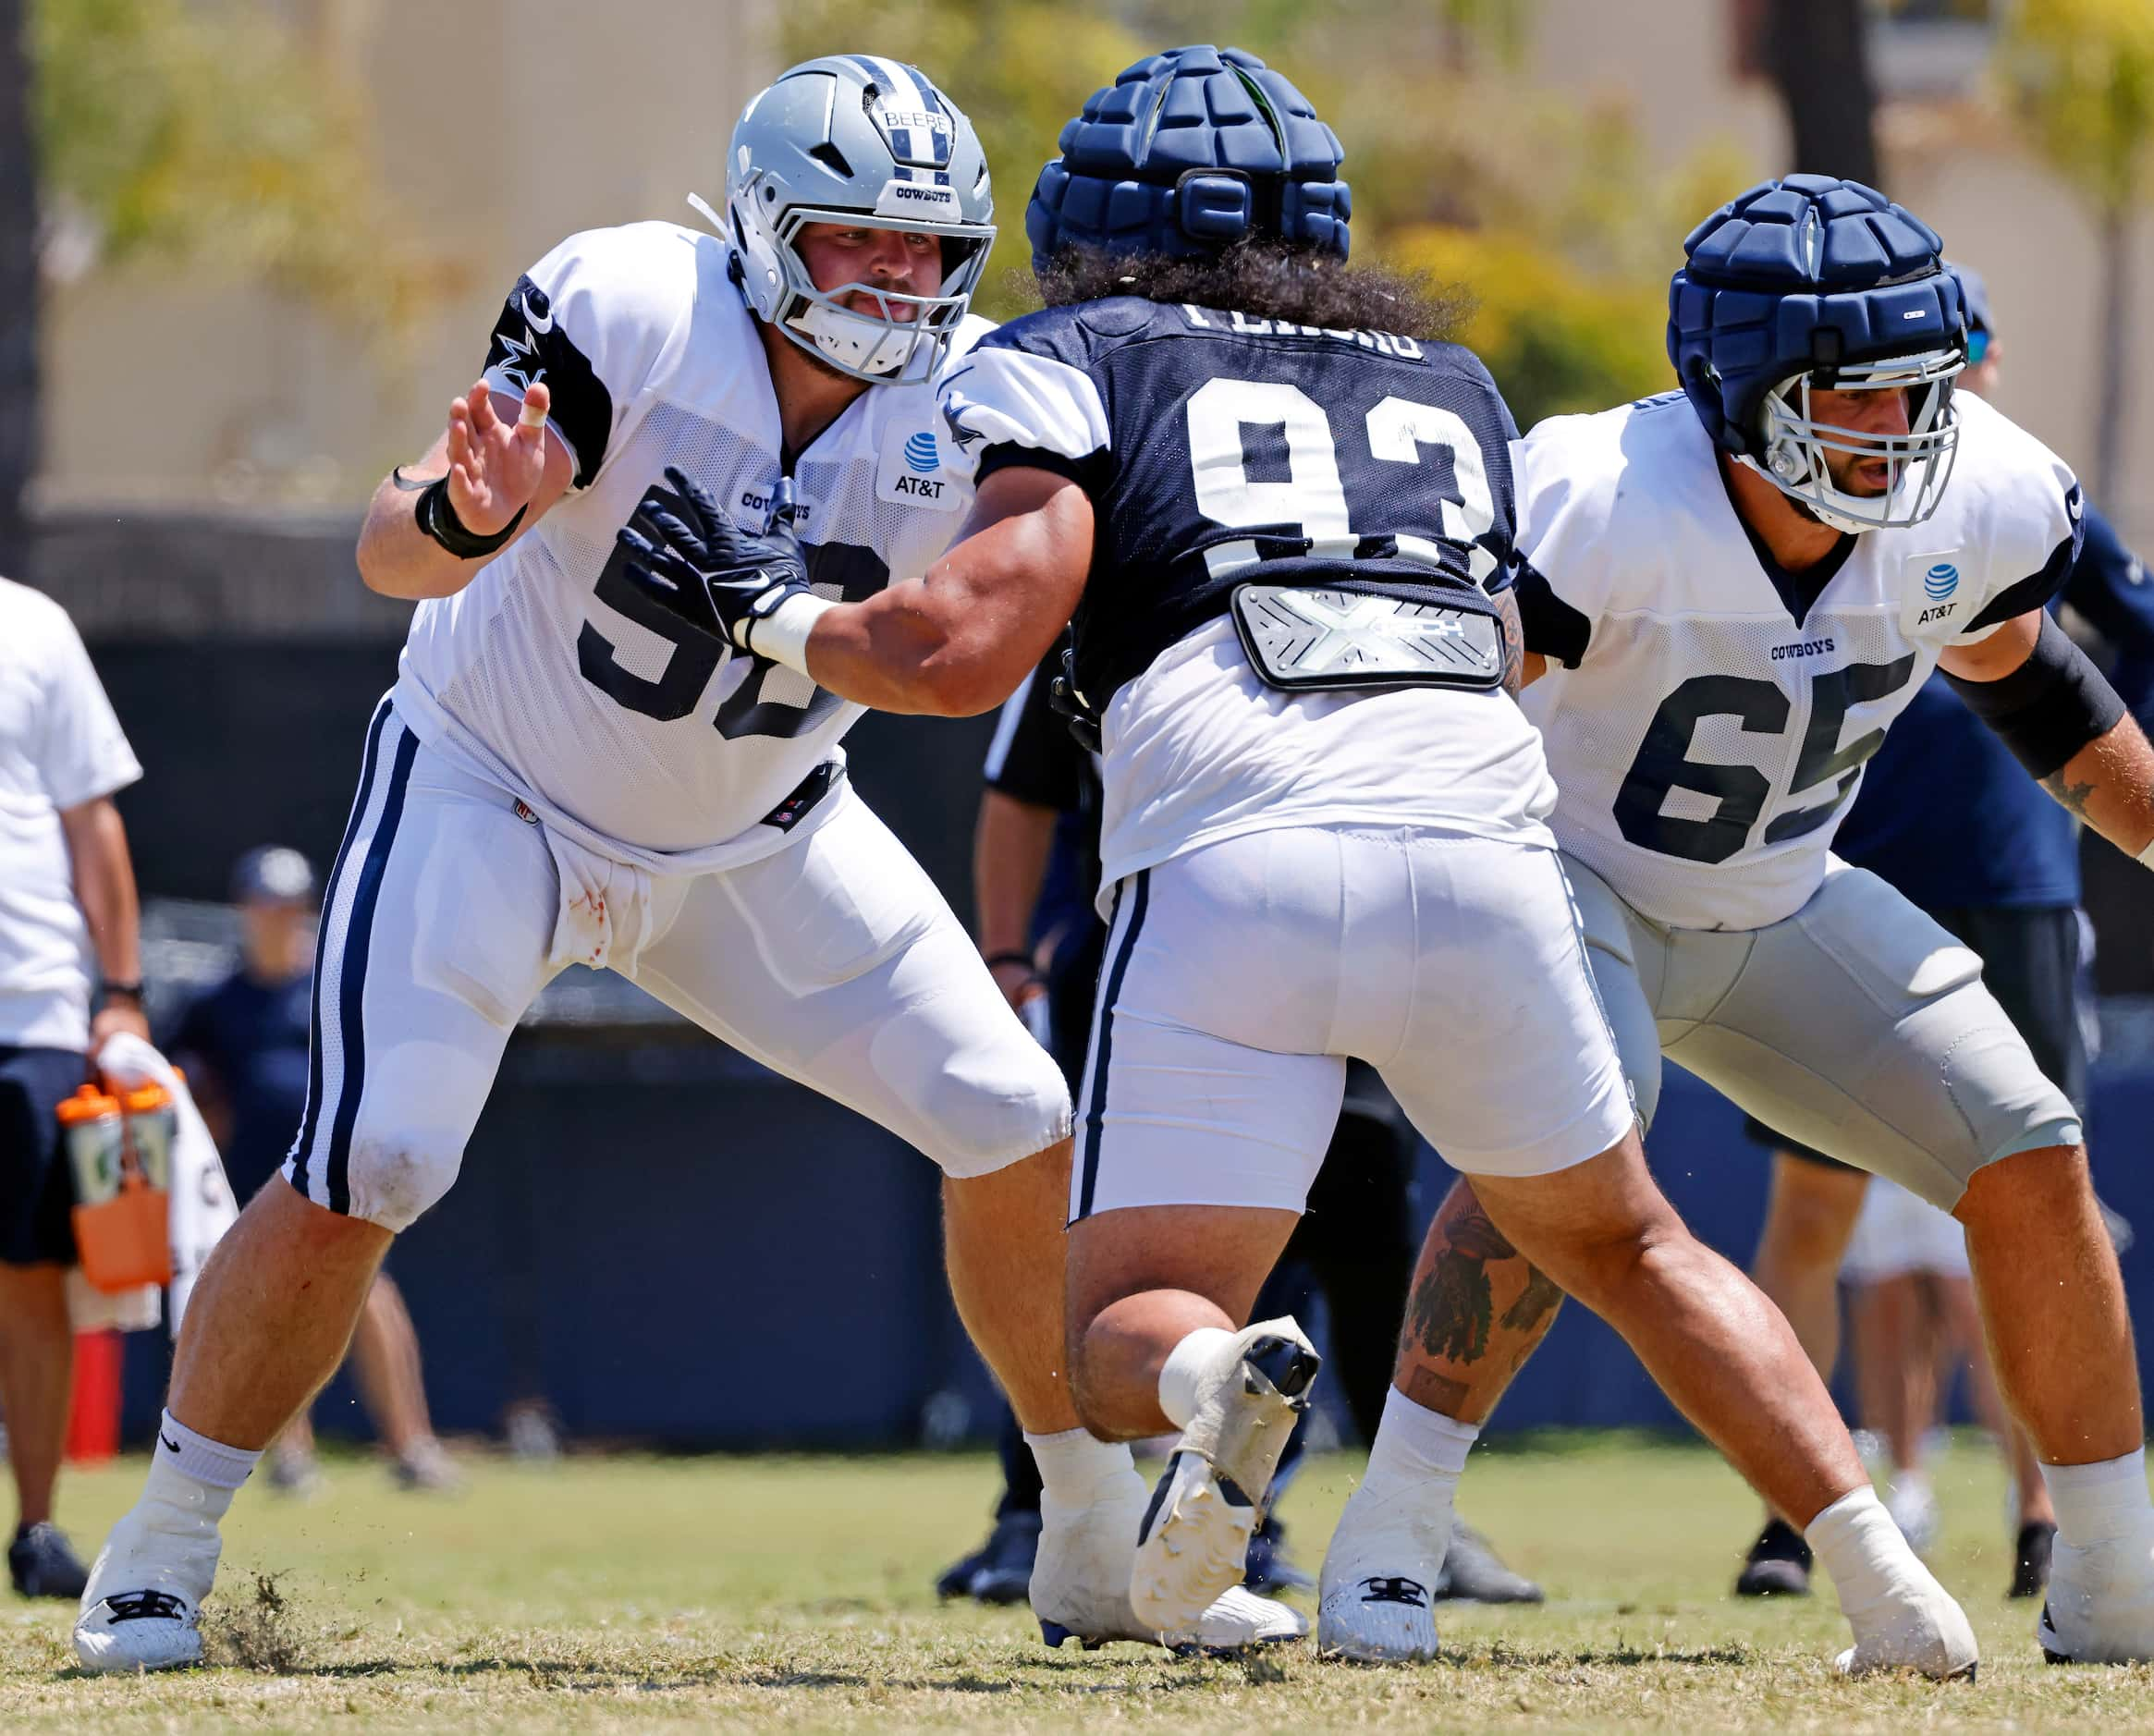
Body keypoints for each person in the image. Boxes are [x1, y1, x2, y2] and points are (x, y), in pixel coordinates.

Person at [614, 51, 1977, 1679]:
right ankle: (1894, 1583)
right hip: (1480, 844)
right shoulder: (1455, 385)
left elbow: (972, 644)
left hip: (1238, 853)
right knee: (1637, 1246)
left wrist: (768, 606)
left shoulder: (1071, 357)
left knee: (1124, 1323)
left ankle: (1218, 1387)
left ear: (1088, 226)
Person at [75, 55, 1292, 1673]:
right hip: (496, 788)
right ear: (774, 230)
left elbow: (988, 627)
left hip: (753, 832)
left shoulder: (981, 394)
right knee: (379, 1157)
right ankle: (155, 1551)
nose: (903, 281)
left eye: (932, 251)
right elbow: (391, 545)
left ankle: (1081, 1526)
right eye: (864, 243)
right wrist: (466, 509)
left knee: (1012, 1115)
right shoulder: (632, 308)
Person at [1320, 175, 2154, 1670]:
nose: (1903, 438)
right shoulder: (1602, 495)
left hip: (1777, 894)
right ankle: (1394, 1530)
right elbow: (1446, 710)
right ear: (1741, 389)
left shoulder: (1974, 494)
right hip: (1570, 879)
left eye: (1921, 396)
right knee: (1565, 1130)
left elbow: (2042, 694)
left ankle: (2115, 1566)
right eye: (1858, 401)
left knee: (2032, 1145)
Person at [1727, 261, 2154, 1603]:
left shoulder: (2011, 488)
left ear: (1979, 351)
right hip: (1832, 859)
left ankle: (2047, 1509)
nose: (1917, 381)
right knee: (1809, 1207)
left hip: (2011, 865)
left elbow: (2132, 638)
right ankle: (1791, 1510)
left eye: (1938, 349)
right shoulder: (1774, 486)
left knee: (2035, 1185)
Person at [941, 658, 1541, 1608]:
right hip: (1157, 950)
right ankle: (1048, 1505)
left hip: (1352, 936)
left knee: (1367, 1222)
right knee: (1102, 1251)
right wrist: (1012, 953)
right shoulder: (1121, 603)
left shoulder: (1382, 598)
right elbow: (1020, 787)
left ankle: (1405, 1513)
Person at [166, 846, 455, 1494]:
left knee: (371, 1296)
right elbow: (180, 1078)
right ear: (245, 910)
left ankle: (412, 1447)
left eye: (291, 906)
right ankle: (290, 1453)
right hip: (250, 1183)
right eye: (267, 906)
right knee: (269, 1309)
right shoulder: (215, 1003)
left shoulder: (334, 984)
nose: (278, 918)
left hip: (338, 1173)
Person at [0, 578, 149, 1599]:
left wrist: (124, 990)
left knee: (33, 1275)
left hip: (32, 1003)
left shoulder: (32, 622)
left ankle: (37, 1528)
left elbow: (90, 813)